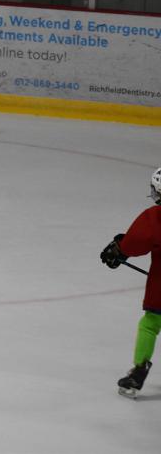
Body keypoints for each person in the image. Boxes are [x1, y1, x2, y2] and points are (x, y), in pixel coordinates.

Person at [100, 167, 161, 399]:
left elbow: (137, 241)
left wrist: (119, 250)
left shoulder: (156, 217)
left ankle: (138, 373)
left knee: (150, 324)